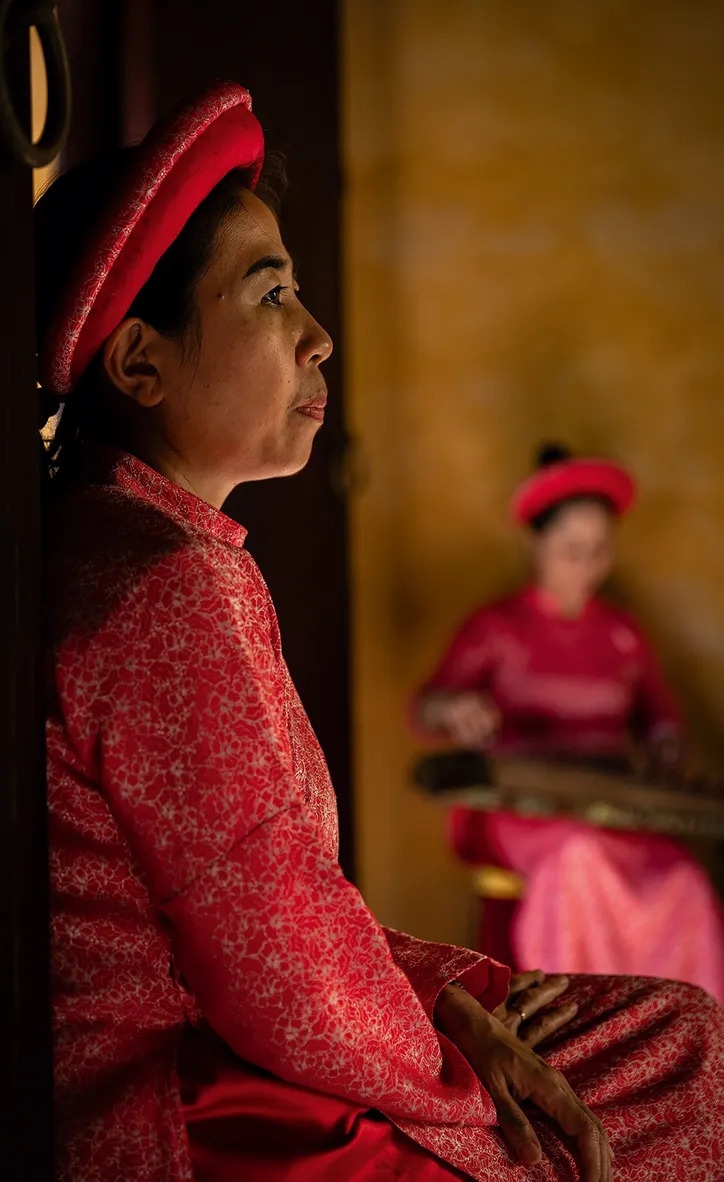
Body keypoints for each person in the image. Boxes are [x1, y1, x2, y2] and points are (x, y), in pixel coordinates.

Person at [38, 85, 723, 1182]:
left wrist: (451, 997)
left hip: (234, 1037)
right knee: (675, 1074)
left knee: (677, 1037)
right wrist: (456, 1086)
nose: (318, 336)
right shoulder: (155, 584)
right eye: (269, 296)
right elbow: (270, 962)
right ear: (140, 363)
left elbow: (284, 914)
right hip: (172, 1104)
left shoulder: (159, 544)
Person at [414, 445, 724, 998]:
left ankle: (673, 1042)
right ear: (537, 543)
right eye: (571, 550)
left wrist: (664, 743)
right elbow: (428, 706)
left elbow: (660, 717)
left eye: (600, 551)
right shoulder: (498, 626)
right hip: (521, 809)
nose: (587, 566)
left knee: (684, 880)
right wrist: (455, 710)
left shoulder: (620, 633)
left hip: (611, 805)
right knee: (577, 859)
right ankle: (581, 1035)